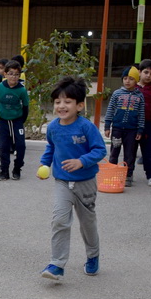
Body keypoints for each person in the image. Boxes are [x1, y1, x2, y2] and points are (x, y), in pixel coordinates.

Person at [39, 76, 107, 282]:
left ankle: (93, 256)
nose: (61, 106)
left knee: (87, 223)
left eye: (67, 101)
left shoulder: (86, 127)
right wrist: (44, 164)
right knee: (59, 220)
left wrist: (81, 161)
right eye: (58, 101)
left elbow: (100, 150)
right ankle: (57, 264)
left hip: (85, 182)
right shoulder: (53, 127)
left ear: (79, 105)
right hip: (62, 182)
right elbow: (51, 147)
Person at [0, 60, 30, 180]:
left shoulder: (22, 90)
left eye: (16, 74)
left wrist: (21, 121)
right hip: (3, 121)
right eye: (10, 73)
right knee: (3, 146)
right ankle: (4, 171)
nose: (13, 77)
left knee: (21, 146)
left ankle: (17, 168)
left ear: (19, 76)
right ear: (5, 74)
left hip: (17, 121)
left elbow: (25, 108)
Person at [103, 66, 144, 187]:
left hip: (132, 130)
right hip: (117, 129)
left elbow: (141, 113)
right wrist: (107, 126)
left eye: (131, 78)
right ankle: (112, 172)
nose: (127, 81)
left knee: (129, 153)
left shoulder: (139, 96)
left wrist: (140, 129)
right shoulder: (117, 94)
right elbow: (110, 110)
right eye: (125, 78)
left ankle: (128, 175)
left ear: (136, 80)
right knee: (114, 151)